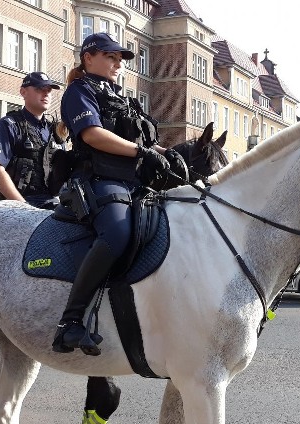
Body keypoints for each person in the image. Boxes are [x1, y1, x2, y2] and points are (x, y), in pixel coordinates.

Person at [51, 32, 186, 355]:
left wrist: (167, 153)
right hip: (100, 180)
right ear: (88, 58)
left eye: (120, 59)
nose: (117, 64)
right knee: (118, 231)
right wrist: (142, 153)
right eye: (110, 57)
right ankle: (69, 322)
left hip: (133, 183)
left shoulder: (121, 97)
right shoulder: (78, 92)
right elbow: (93, 135)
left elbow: (142, 141)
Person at [0, 71, 67, 208]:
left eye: (48, 90)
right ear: (23, 92)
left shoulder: (56, 131)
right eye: (40, 89)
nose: (46, 94)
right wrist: (24, 207)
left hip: (53, 202)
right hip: (18, 204)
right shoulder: (9, 124)